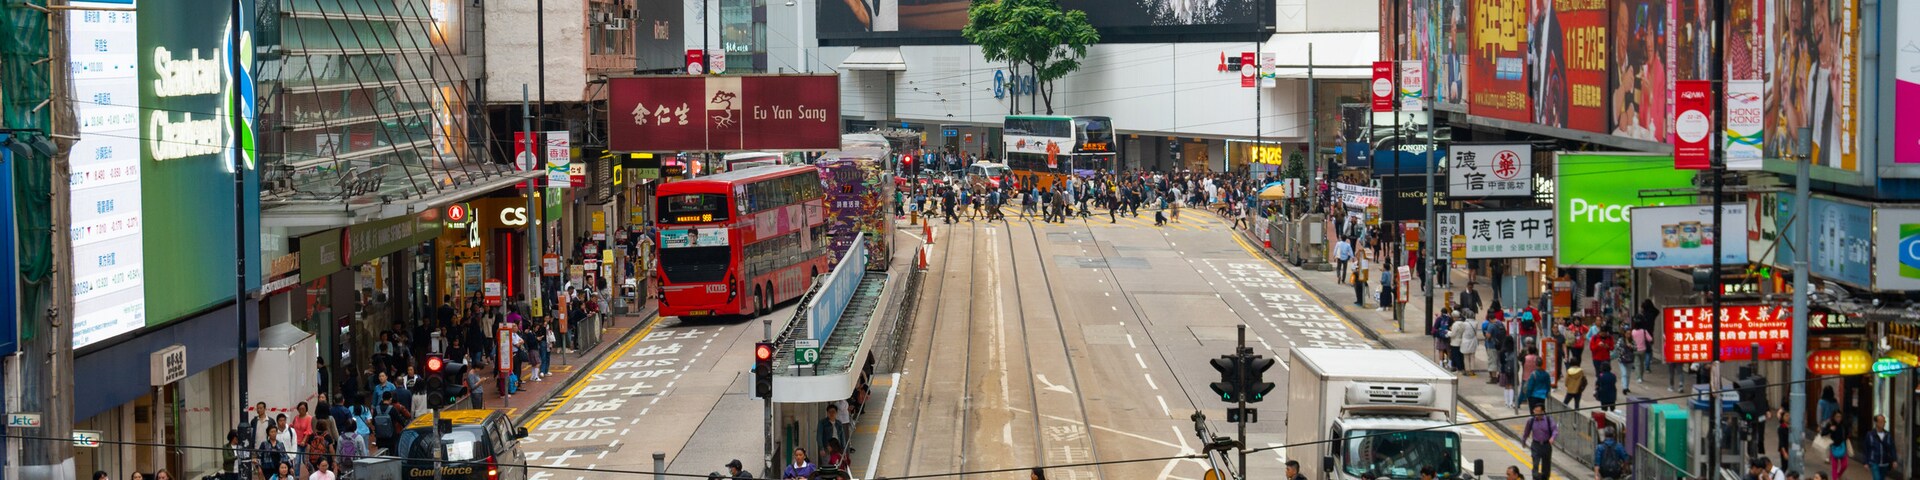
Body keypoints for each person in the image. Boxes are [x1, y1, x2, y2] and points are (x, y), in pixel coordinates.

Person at [1522, 404, 1558, 480]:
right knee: (1535, 463)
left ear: (1543, 411)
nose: (1536, 413)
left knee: (1546, 466)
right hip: (1536, 445)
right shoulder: (1531, 421)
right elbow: (1526, 431)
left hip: (1546, 445)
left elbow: (1555, 430)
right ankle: (1535, 478)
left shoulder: (1549, 420)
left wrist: (1552, 438)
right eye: (1535, 411)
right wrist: (1524, 440)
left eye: (1538, 411)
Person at [1863, 415, 1898, 480]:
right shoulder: (1870, 435)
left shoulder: (1888, 435)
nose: (1883, 423)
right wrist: (1866, 462)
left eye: (1884, 421)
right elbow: (1866, 449)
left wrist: (1894, 460)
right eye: (1881, 421)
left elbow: (1892, 448)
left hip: (1885, 463)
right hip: (1874, 462)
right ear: (1876, 423)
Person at [1821, 410, 1848, 480]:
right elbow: (1823, 433)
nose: (1838, 418)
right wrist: (1830, 429)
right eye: (1837, 417)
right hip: (1833, 447)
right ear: (1833, 417)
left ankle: (1839, 475)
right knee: (1834, 467)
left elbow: (1847, 433)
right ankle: (1835, 478)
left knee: (1844, 465)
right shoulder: (1830, 424)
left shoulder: (1843, 424)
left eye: (1840, 417)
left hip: (1842, 446)